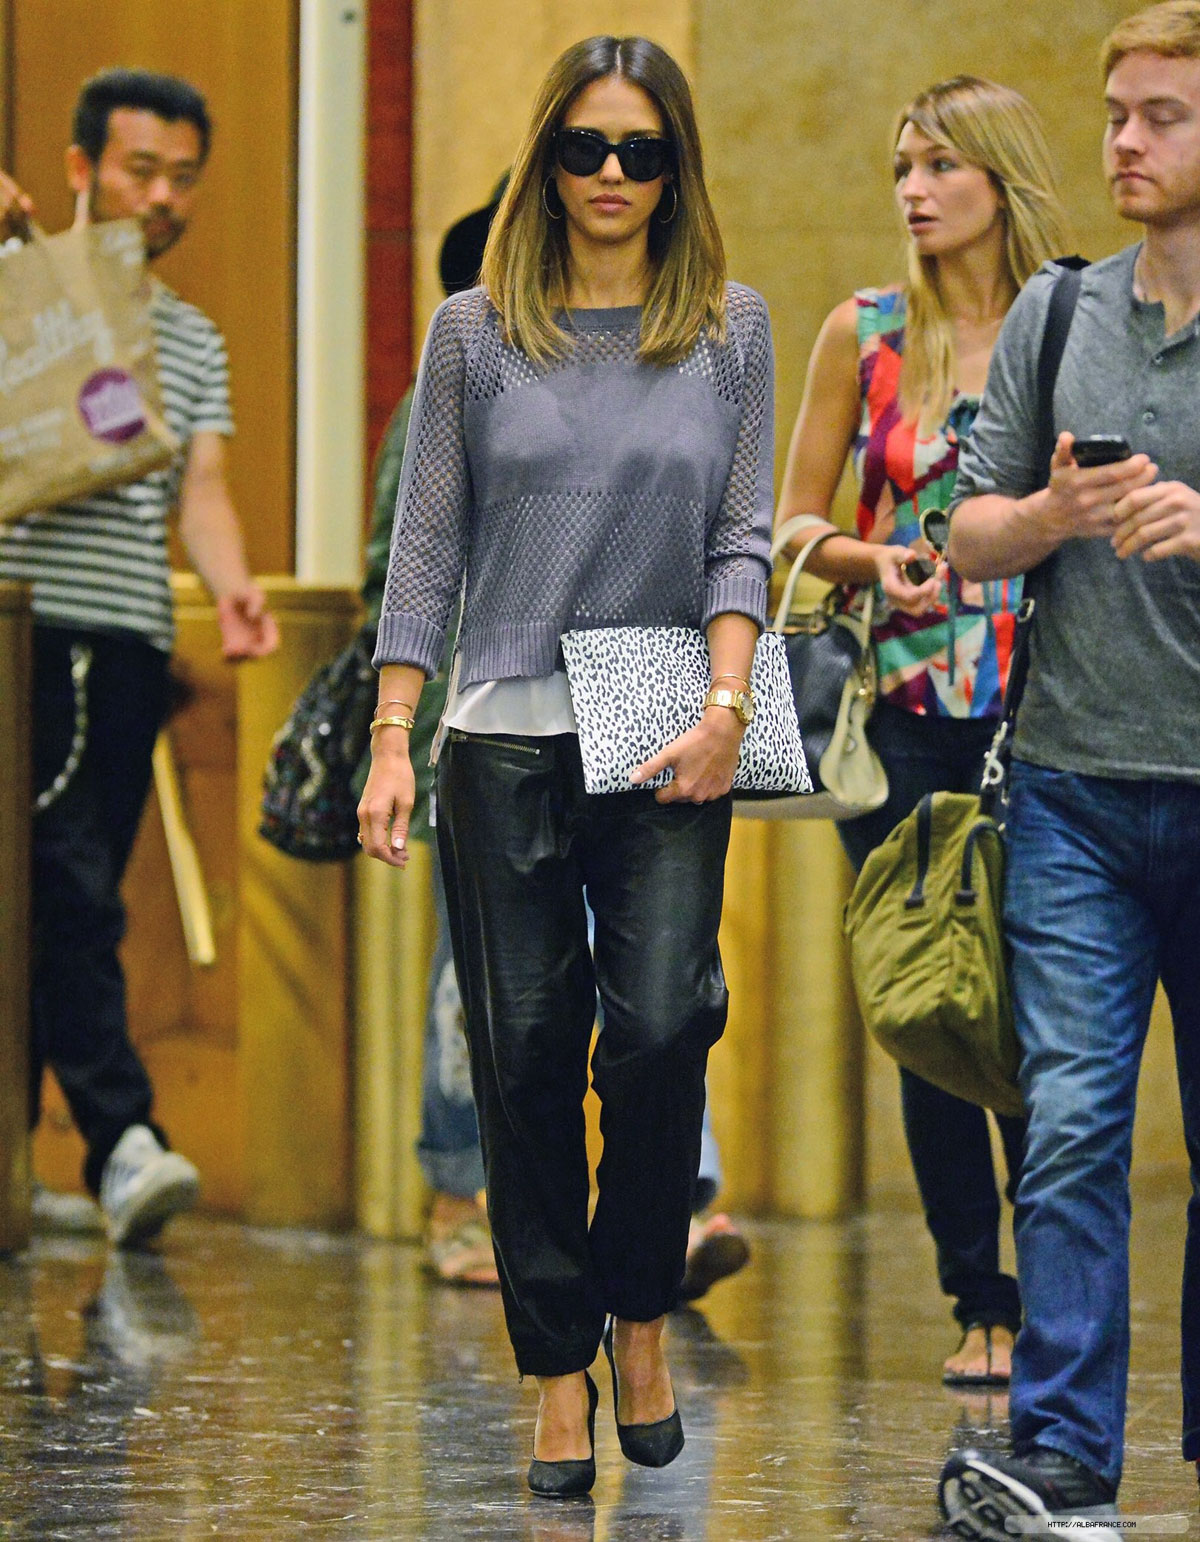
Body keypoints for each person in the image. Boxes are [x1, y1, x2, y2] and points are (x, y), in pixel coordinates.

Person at [359, 34, 772, 1497]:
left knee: (661, 1027)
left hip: (669, 706)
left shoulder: (730, 326)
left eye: (641, 152)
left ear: (676, 172)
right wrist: (394, 733)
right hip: (504, 728)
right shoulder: (475, 331)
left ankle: (640, 1314)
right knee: (523, 1051)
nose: (611, 175)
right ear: (545, 162)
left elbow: (740, 532)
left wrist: (730, 702)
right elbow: (427, 549)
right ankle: (554, 1369)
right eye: (587, 149)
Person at [936, 4, 1200, 1533]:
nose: (1123, 141)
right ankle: (1059, 1451)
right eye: (1116, 112)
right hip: (1073, 794)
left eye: (1162, 115)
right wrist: (1049, 518)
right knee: (1076, 1119)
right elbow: (966, 535)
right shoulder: (1058, 310)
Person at [774, 77, 1068, 1388]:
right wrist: (864, 553)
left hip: (1049, 713)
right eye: (903, 163)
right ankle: (979, 1293)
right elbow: (787, 524)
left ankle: (1061, 1293)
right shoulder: (867, 332)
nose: (914, 187)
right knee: (933, 996)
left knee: (1047, 1007)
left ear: (999, 179)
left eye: (941, 163)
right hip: (895, 720)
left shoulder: (1071, 324)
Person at [0, 70, 278, 1249]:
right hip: (23, 630)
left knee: (69, 897)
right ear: (80, 168)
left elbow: (200, 488)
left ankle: (21, 1163)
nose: (161, 197)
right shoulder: (13, 289)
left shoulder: (191, 339)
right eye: (138, 170)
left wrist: (230, 585)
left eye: (182, 178)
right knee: (62, 891)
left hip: (123, 645)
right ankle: (121, 1139)